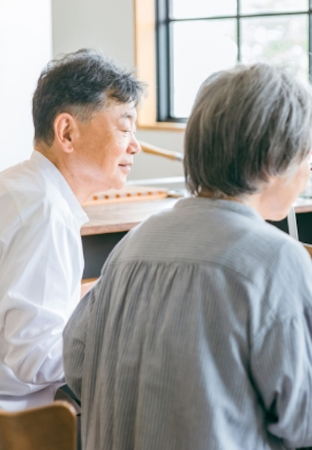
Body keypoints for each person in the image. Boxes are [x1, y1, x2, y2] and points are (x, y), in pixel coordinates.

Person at [63, 63, 312, 450]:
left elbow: (77, 365)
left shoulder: (133, 244)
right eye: (307, 157)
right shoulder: (274, 257)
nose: (307, 174)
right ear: (273, 162)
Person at [0, 49, 144, 411]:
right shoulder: (46, 212)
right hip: (22, 423)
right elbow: (34, 357)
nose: (135, 146)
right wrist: (124, 339)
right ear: (66, 132)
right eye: (124, 127)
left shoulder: (18, 186)